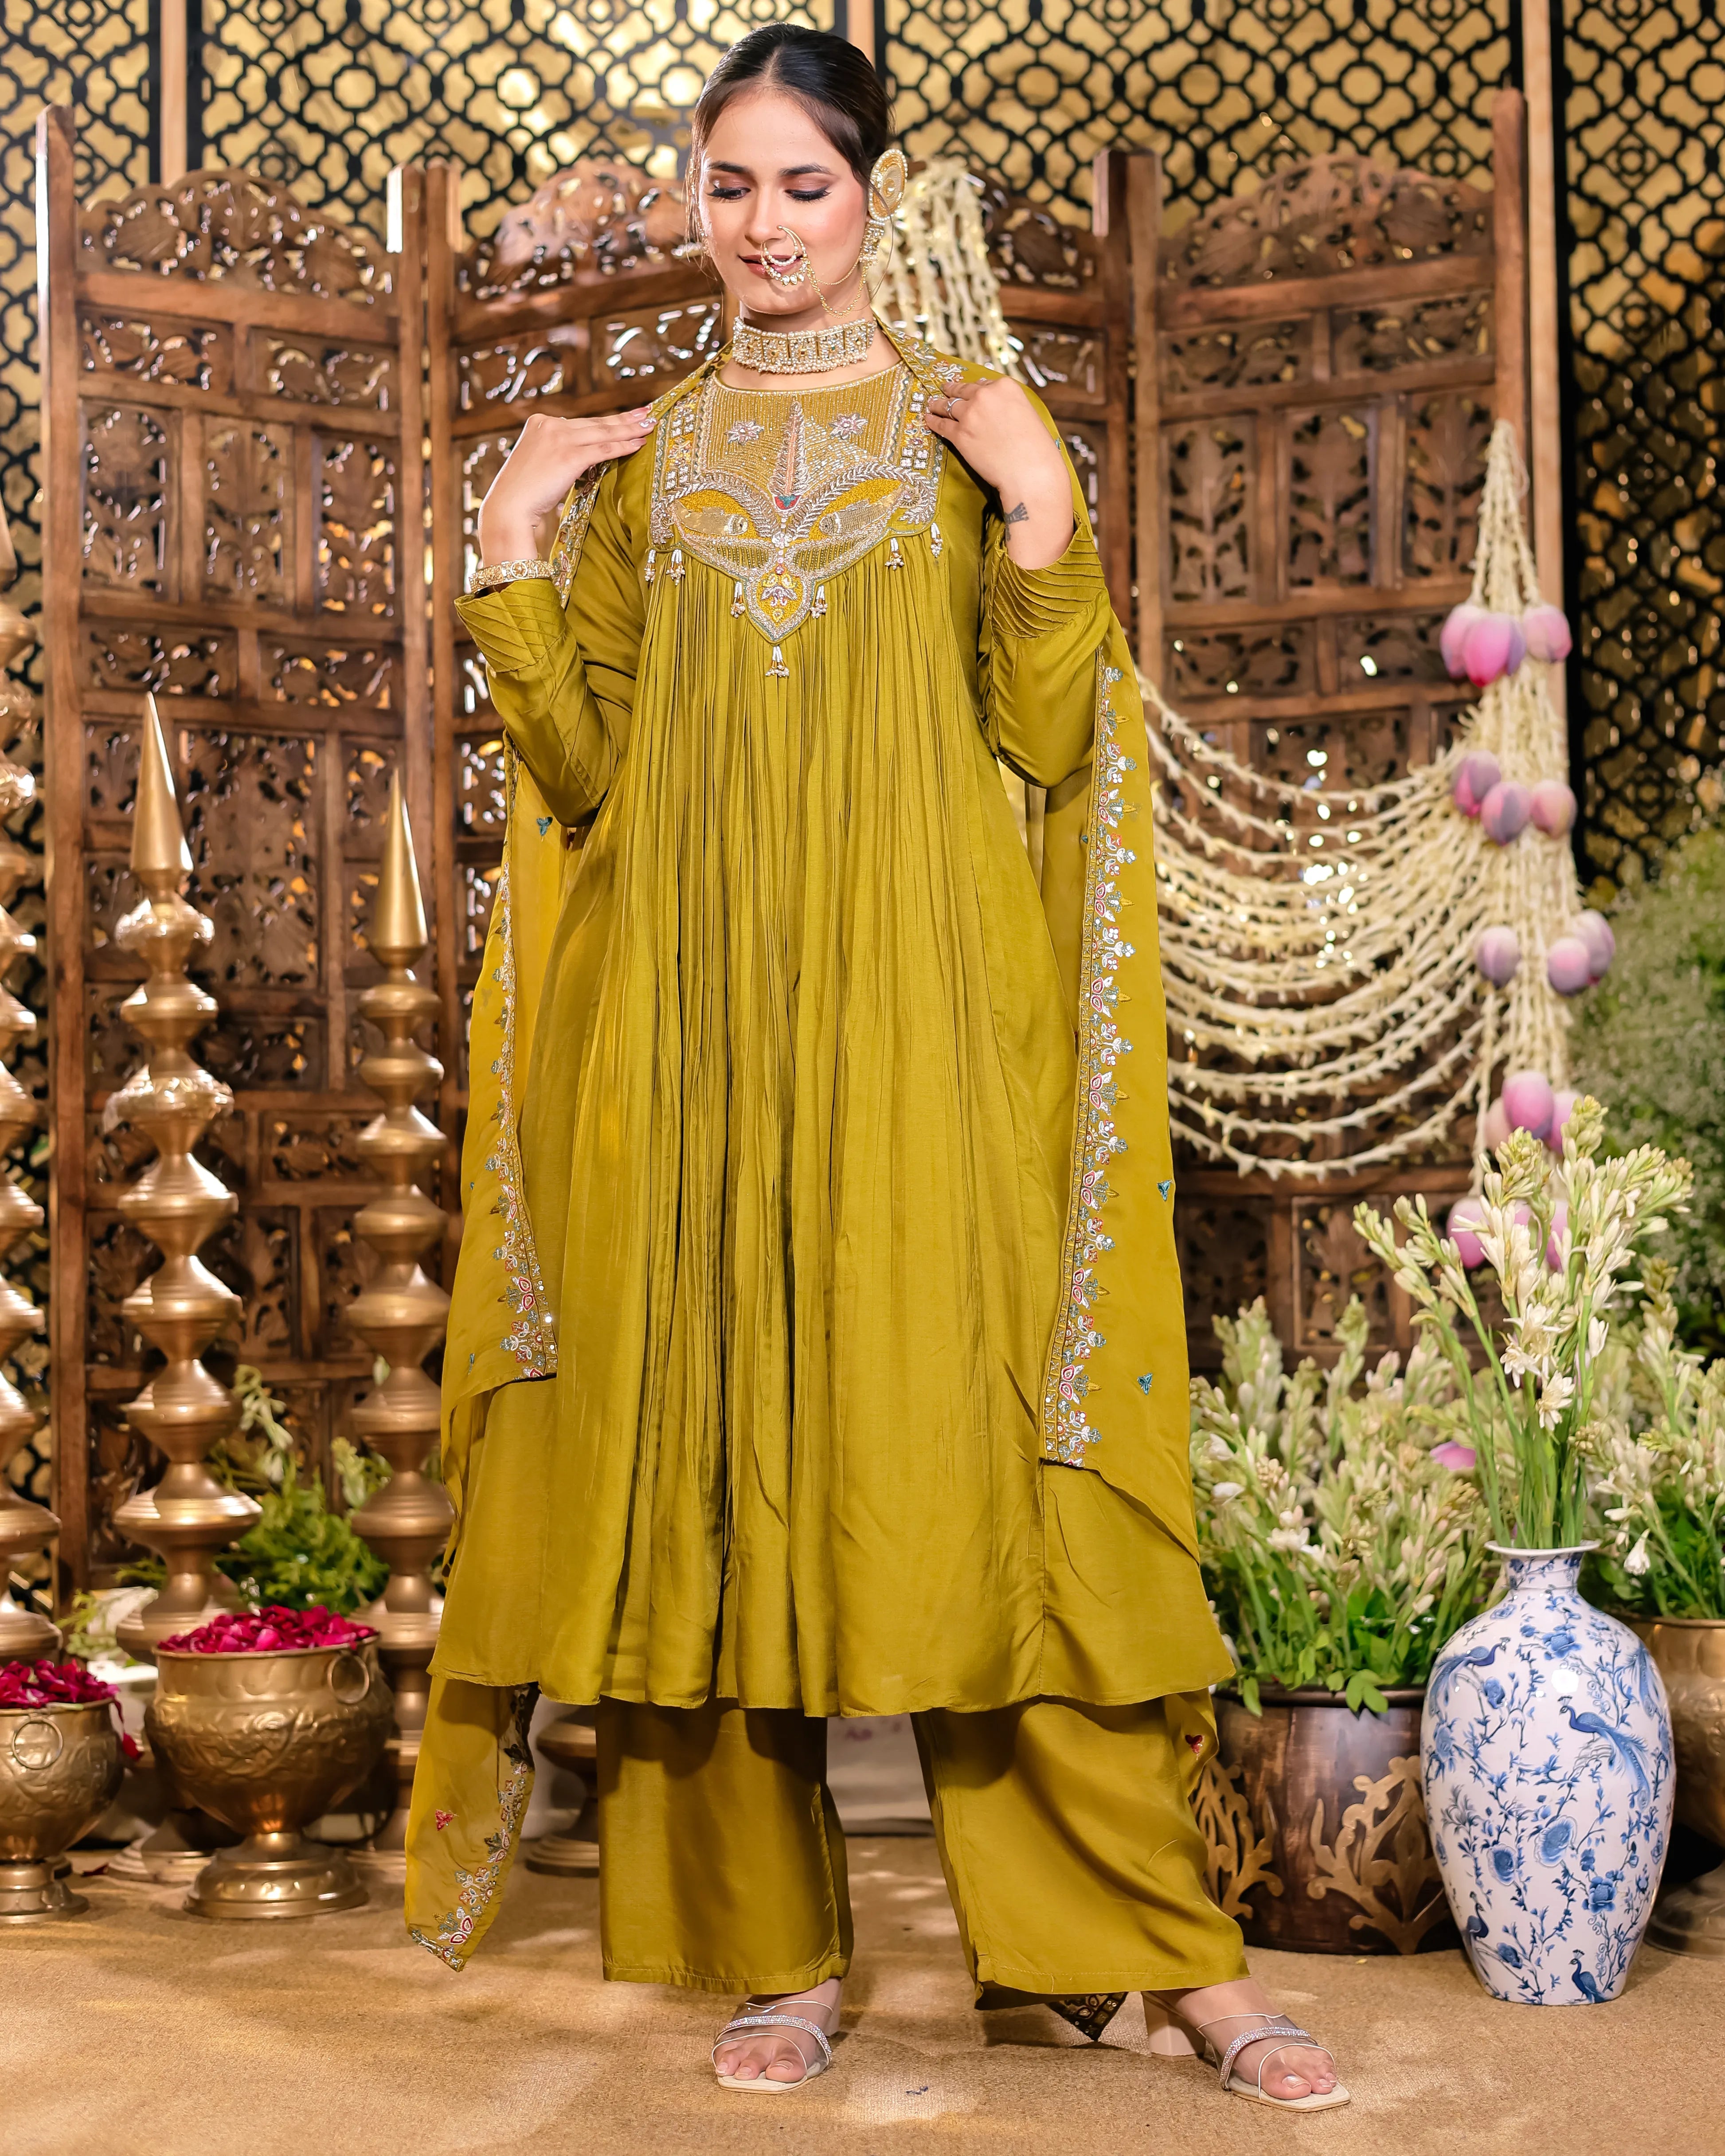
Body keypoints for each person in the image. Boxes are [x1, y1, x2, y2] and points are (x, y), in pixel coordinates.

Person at [403, 22, 1347, 2114]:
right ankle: (784, 1956)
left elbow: (1042, 739)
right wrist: (510, 539)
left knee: (969, 1495)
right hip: (690, 1043)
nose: (759, 227)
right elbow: (586, 775)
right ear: (693, 203)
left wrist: (1033, 510)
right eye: (726, 186)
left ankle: (1163, 1957)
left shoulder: (964, 433)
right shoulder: (642, 461)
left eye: (801, 187)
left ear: (874, 196)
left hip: (922, 1039)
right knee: (724, 1481)